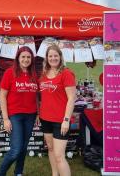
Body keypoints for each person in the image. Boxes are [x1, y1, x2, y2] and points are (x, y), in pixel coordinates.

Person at [0, 46, 38, 176]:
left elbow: (36, 95)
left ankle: (18, 172)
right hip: (15, 115)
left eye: (28, 57)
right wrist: (5, 119)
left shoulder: (33, 74)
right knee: (16, 149)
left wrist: (38, 113)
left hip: (30, 115)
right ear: (18, 58)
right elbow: (2, 95)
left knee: (24, 147)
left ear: (32, 59)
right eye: (23, 57)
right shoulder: (10, 73)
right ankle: (0, 173)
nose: (26, 59)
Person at [39, 44, 76, 176]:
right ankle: (55, 174)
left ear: (60, 57)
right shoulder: (43, 74)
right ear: (47, 58)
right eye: (50, 56)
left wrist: (66, 120)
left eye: (56, 55)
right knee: (50, 149)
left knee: (59, 156)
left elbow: (72, 98)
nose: (53, 58)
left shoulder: (66, 73)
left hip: (61, 121)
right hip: (45, 118)